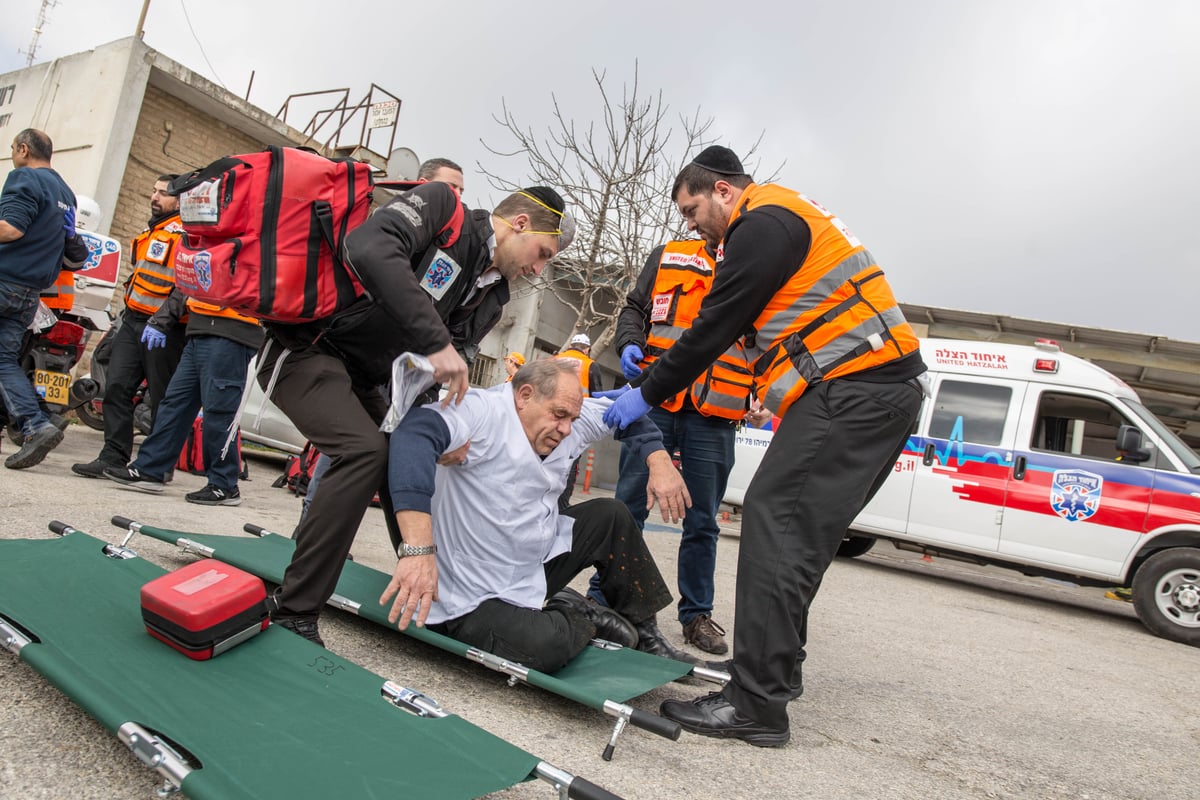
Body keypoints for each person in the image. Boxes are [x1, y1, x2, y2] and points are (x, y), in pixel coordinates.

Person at [603, 146, 927, 746]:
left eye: (692, 207)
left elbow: (715, 324)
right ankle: (766, 672)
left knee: (775, 532)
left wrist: (646, 393)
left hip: (853, 392)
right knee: (794, 541)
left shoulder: (763, 223)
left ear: (723, 191)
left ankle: (757, 707)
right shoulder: (781, 219)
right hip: (870, 393)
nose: (690, 222)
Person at [260, 181, 575, 645]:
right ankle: (295, 611)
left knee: (403, 457)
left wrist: (445, 430)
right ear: (520, 224)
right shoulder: (444, 209)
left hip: (368, 379)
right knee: (363, 452)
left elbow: (437, 375)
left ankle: (429, 585)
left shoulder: (494, 296)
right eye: (544, 253)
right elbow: (367, 247)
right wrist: (436, 340)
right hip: (307, 347)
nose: (538, 268)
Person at [380, 358, 701, 673]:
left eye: (572, 418)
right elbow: (415, 434)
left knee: (611, 515)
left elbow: (625, 414)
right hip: (471, 592)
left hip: (528, 566)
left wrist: (658, 460)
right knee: (548, 646)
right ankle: (580, 613)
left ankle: (647, 636)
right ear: (524, 396)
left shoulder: (569, 420)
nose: (565, 429)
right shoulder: (483, 411)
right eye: (559, 415)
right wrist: (418, 551)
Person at [605, 238, 754, 656]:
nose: (691, 219)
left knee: (703, 520)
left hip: (716, 411)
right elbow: (635, 306)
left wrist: (761, 387)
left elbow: (766, 334)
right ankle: (605, 597)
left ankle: (696, 616)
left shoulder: (752, 258)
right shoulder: (669, 253)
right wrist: (629, 341)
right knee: (626, 507)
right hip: (654, 398)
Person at [101, 288, 263, 505]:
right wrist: (161, 320)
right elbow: (188, 285)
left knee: (218, 410)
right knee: (174, 404)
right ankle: (150, 469)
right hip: (199, 329)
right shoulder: (212, 252)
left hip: (231, 332)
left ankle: (224, 484)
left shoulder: (252, 253)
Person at [71, 175, 187, 479]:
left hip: (165, 329)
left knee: (162, 399)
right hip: (134, 321)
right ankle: (113, 457)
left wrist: (164, 321)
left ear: (179, 199)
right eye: (153, 190)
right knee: (117, 387)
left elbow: (185, 285)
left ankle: (157, 467)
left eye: (163, 193)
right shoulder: (152, 229)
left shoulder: (185, 234)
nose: (155, 196)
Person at [0, 129, 81, 470]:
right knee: (4, 361)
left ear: (22, 149)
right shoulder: (66, 193)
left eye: (13, 151)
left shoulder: (24, 177)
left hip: (4, 280)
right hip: (29, 294)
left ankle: (36, 421)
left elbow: (11, 228)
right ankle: (37, 423)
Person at [556, 332, 602, 510]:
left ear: (571, 345)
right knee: (570, 463)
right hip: (575, 423)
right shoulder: (590, 365)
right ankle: (561, 506)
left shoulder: (554, 359)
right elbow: (597, 396)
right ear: (587, 349)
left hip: (548, 419)